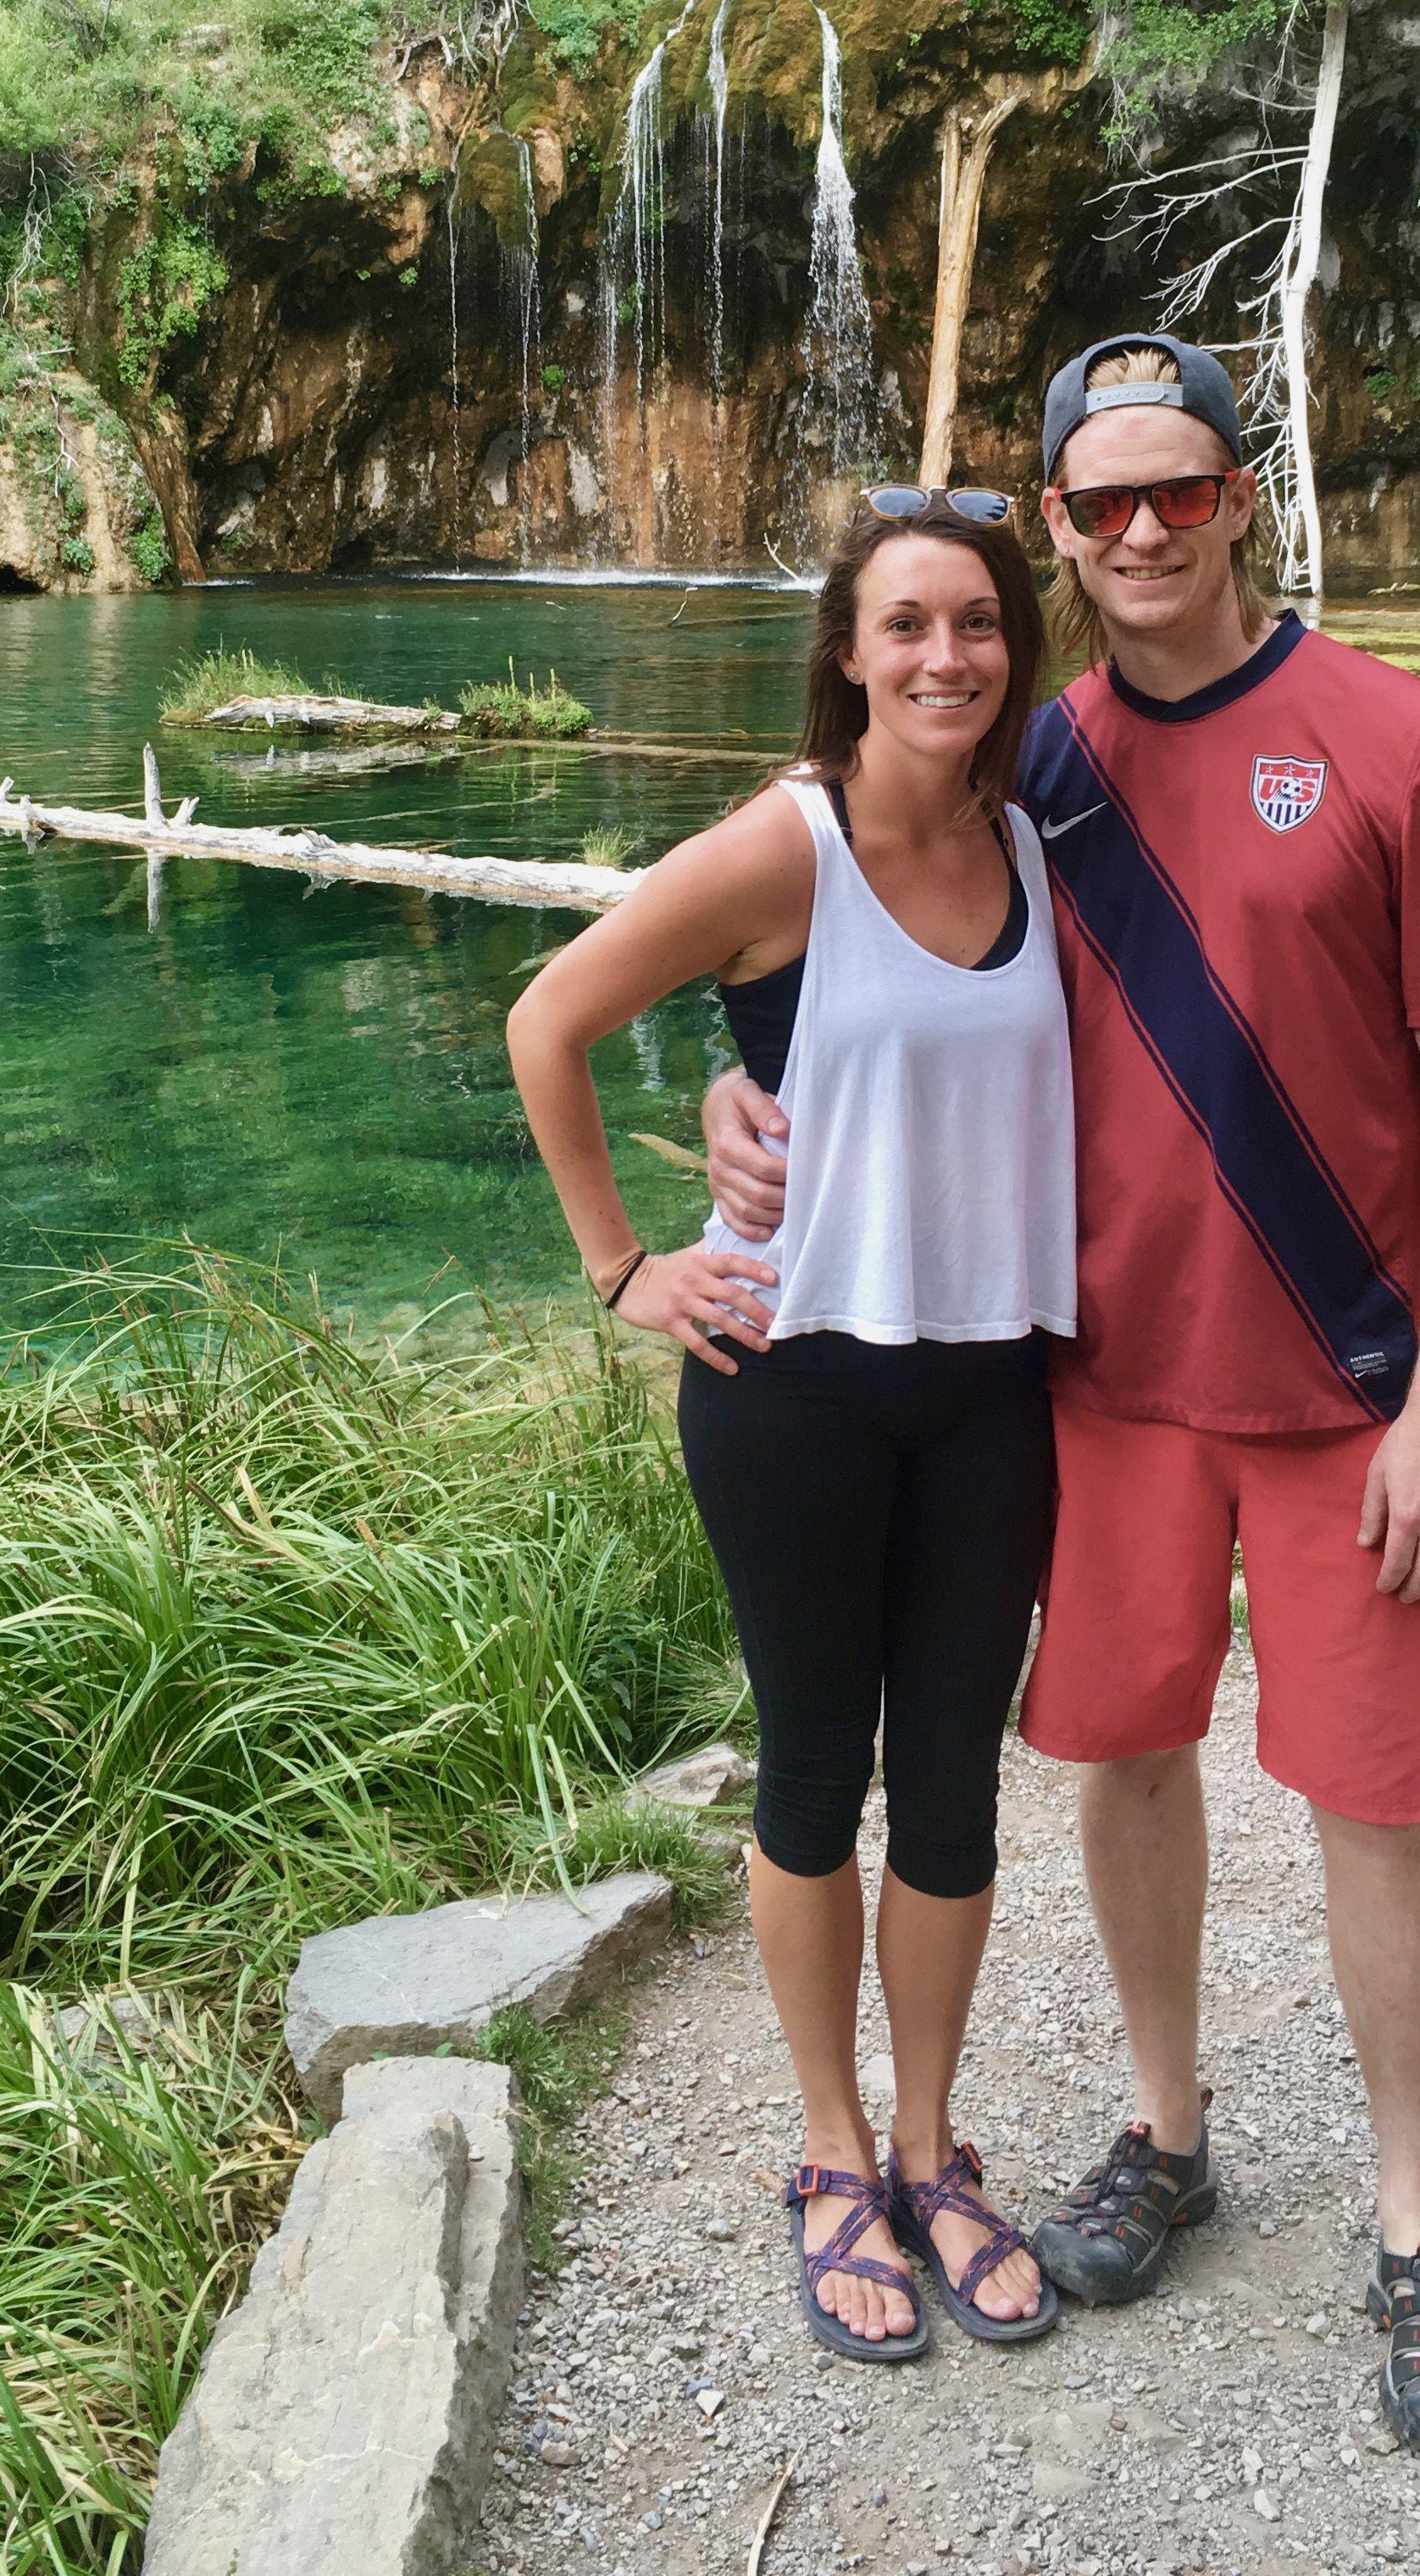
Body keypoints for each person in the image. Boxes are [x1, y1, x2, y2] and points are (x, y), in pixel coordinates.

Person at [703, 336, 1420, 2460]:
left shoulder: (1399, 737)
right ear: (1061, 531)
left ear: (1240, 490)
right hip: (1095, 1387)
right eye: (1097, 507)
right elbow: (849, 935)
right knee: (1124, 1761)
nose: (1140, 533)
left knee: (1376, 1801)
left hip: (1346, 1388)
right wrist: (736, 1096)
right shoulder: (1032, 761)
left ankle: (1415, 2235)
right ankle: (1166, 2131)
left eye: (1175, 491)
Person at [505, 490, 1078, 2363]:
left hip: (991, 1385)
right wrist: (623, 1268)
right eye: (904, 624)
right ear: (847, 650)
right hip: (799, 1386)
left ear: (1014, 649)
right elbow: (551, 1016)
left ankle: (933, 2145)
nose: (944, 656)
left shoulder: (1038, 836)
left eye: (975, 623)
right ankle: (831, 2153)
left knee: (962, 1791)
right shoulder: (786, 846)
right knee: (817, 1770)